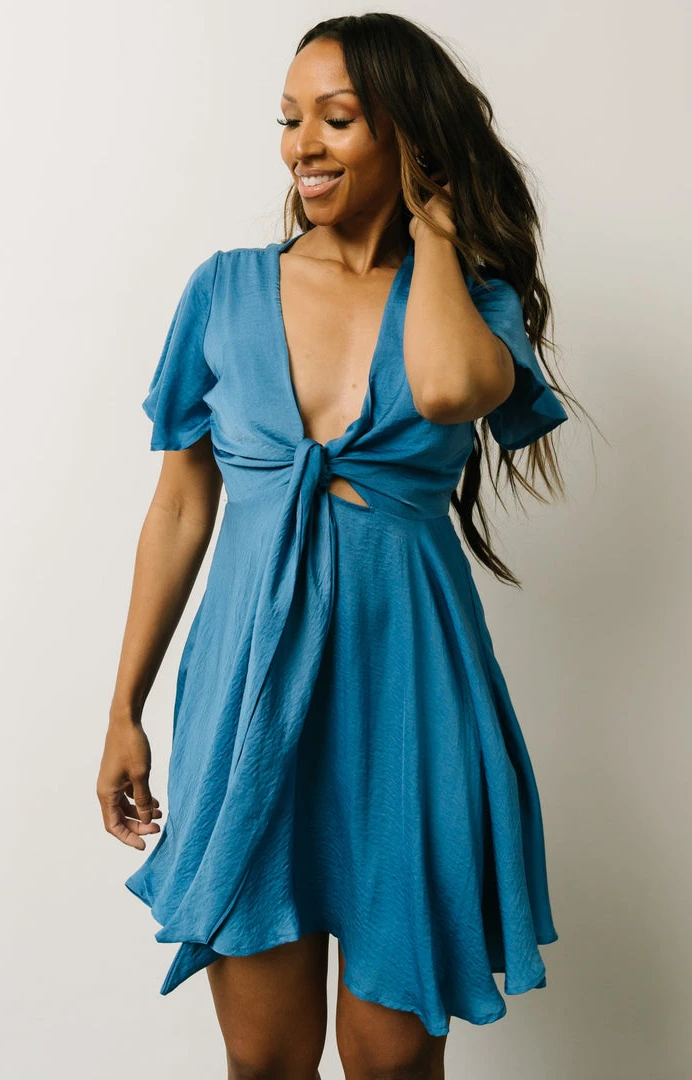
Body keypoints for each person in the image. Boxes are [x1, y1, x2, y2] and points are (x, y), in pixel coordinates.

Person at [98, 13, 586, 1079]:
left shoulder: (475, 303)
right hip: (247, 695)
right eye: (289, 120)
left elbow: (450, 391)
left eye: (337, 118)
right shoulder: (224, 290)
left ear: (408, 134)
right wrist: (124, 706)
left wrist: (440, 236)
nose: (302, 147)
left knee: (393, 1064)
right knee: (264, 1060)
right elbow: (179, 509)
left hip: (411, 699)